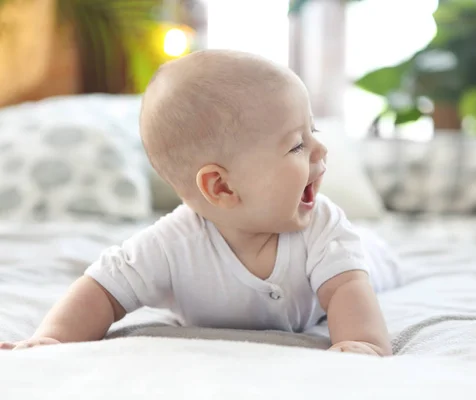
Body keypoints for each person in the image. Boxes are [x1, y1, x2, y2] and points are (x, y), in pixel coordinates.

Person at [0, 50, 399, 356]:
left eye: (312, 130)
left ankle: (377, 247)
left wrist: (361, 344)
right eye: (297, 143)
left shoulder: (324, 227)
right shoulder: (171, 244)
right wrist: (50, 339)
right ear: (221, 187)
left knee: (366, 257)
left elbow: (348, 287)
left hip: (367, 259)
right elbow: (101, 290)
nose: (321, 146)